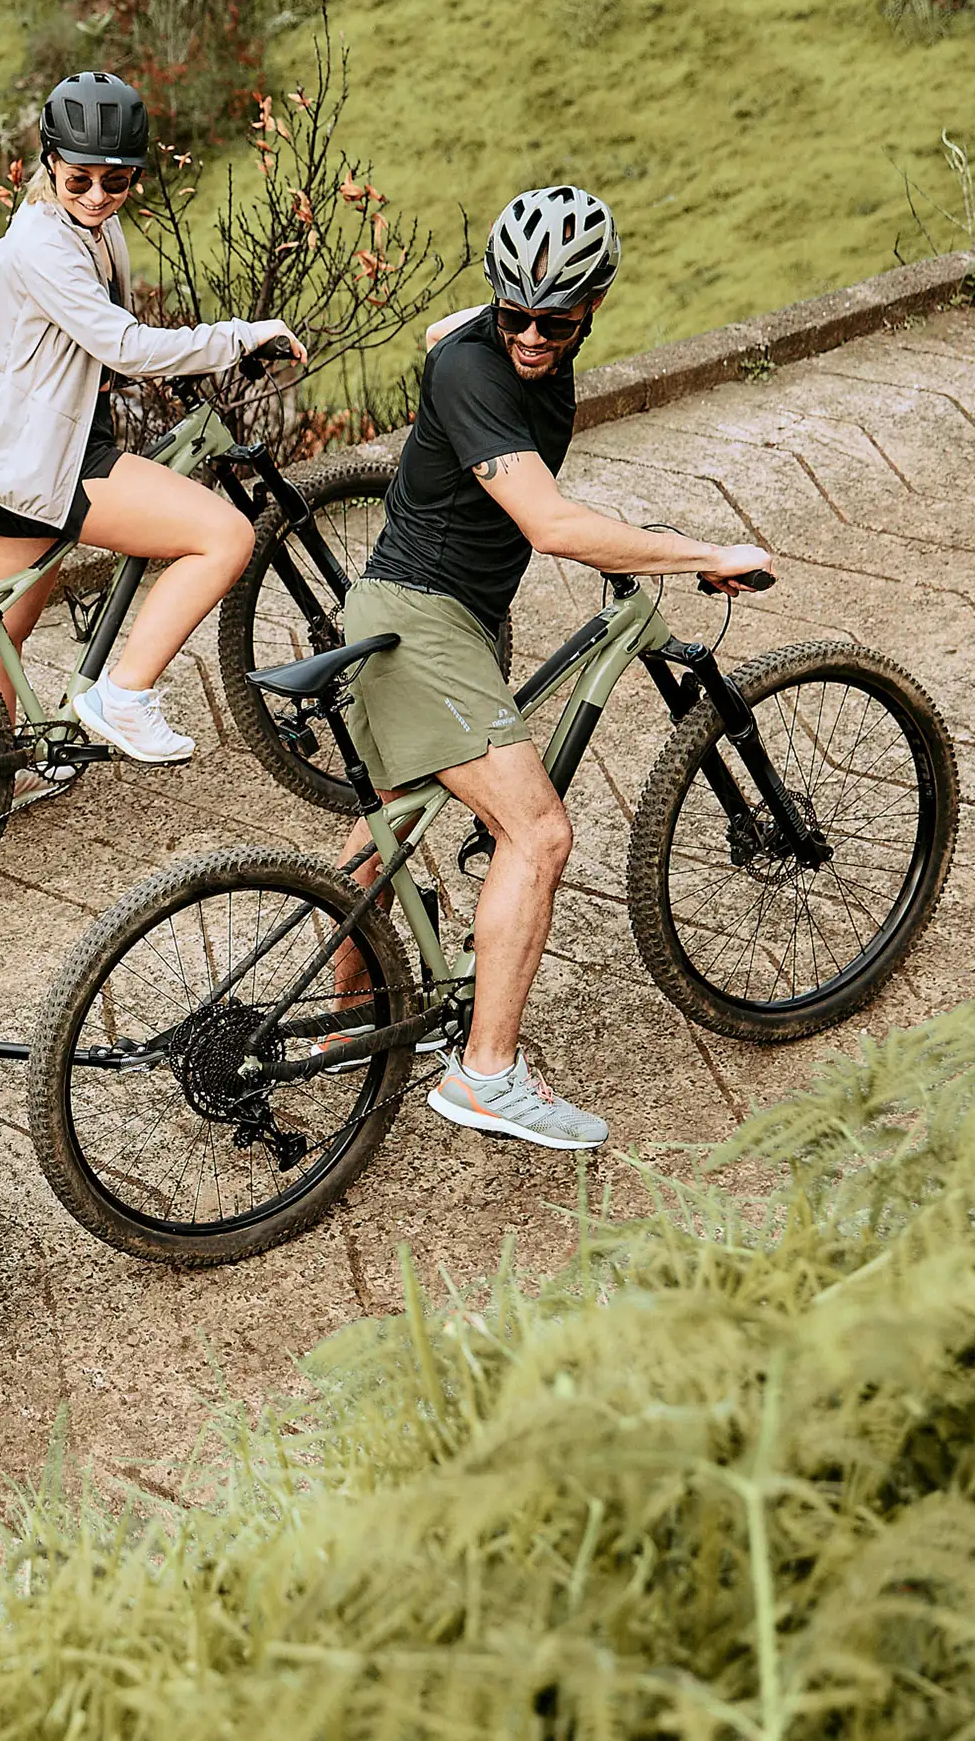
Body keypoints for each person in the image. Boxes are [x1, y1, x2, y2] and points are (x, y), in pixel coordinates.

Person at [331, 184, 774, 1149]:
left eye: (557, 321)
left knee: (391, 836)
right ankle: (486, 1077)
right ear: (496, 297)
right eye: (517, 314)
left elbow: (535, 511)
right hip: (422, 623)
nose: (533, 337)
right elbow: (550, 523)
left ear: (592, 305)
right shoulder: (476, 371)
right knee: (539, 834)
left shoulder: (532, 359)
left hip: (435, 619)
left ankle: (342, 1026)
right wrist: (701, 553)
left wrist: (635, 556)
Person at [0, 70, 303, 765]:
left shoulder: (90, 229)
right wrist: (234, 337)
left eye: (117, 181)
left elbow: (102, 334)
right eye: (79, 181)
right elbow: (125, 344)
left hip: (31, 442)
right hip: (43, 457)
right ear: (49, 163)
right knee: (223, 536)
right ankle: (123, 696)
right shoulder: (41, 243)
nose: (99, 197)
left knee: (5, 635)